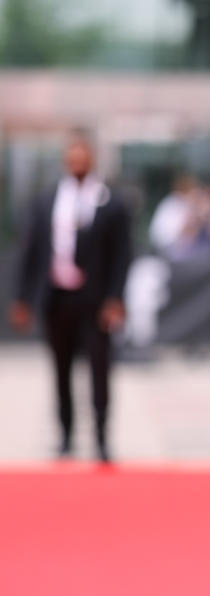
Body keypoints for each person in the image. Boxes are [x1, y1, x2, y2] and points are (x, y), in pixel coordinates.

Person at [8, 131, 131, 462]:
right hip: (57, 297)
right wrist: (22, 298)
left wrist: (116, 298)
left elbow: (122, 255)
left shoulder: (110, 201)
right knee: (60, 368)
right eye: (72, 155)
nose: (77, 161)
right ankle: (65, 435)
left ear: (92, 158)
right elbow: (31, 251)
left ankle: (102, 438)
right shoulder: (47, 199)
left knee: (99, 369)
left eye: (83, 154)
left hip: (94, 300)